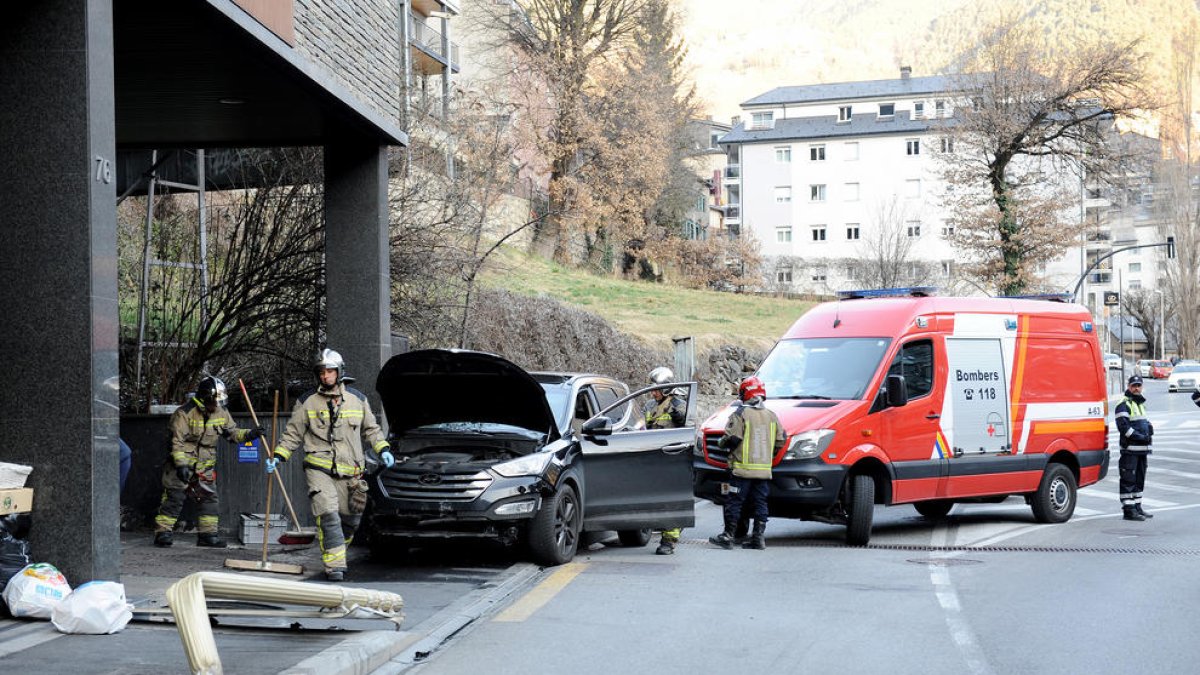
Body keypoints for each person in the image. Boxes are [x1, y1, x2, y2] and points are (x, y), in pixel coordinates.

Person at [270, 349, 394, 581]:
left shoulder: (358, 399)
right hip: (319, 469)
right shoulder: (307, 401)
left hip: (351, 472)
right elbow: (292, 434)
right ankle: (335, 566)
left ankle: (335, 550)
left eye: (330, 371)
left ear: (339, 372)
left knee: (351, 520)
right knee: (328, 515)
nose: (325, 376)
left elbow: (372, 430)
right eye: (321, 372)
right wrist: (279, 455)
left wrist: (383, 449)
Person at [154, 376, 263, 547]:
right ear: (204, 398)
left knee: (209, 500)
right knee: (174, 497)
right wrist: (181, 465)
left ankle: (207, 535)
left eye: (219, 402)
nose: (217, 405)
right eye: (214, 401)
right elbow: (176, 441)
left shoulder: (221, 412)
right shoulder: (184, 413)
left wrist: (250, 434)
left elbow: (232, 433)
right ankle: (163, 533)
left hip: (205, 466)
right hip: (182, 463)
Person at [709, 376, 786, 550]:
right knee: (760, 503)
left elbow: (732, 438)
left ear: (746, 393)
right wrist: (767, 456)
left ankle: (728, 536)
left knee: (734, 501)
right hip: (763, 471)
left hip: (741, 470)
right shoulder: (772, 416)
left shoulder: (740, 413)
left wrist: (721, 443)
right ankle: (758, 539)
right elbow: (780, 441)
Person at [643, 366, 687, 555]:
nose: (653, 393)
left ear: (666, 388)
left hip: (672, 460)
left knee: (670, 501)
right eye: (652, 389)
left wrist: (680, 418)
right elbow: (642, 429)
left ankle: (668, 541)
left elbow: (688, 426)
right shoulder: (649, 406)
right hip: (653, 459)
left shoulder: (679, 405)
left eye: (656, 389)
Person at [1115, 374, 1154, 521]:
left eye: (1139, 385)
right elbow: (1124, 427)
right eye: (1134, 386)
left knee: (1139, 480)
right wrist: (1141, 437)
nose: (1137, 388)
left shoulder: (1139, 403)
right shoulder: (1123, 404)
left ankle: (1137, 507)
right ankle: (1128, 511)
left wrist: (1149, 428)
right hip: (1130, 450)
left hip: (1142, 450)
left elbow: (1142, 421)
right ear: (1129, 387)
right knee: (1128, 480)